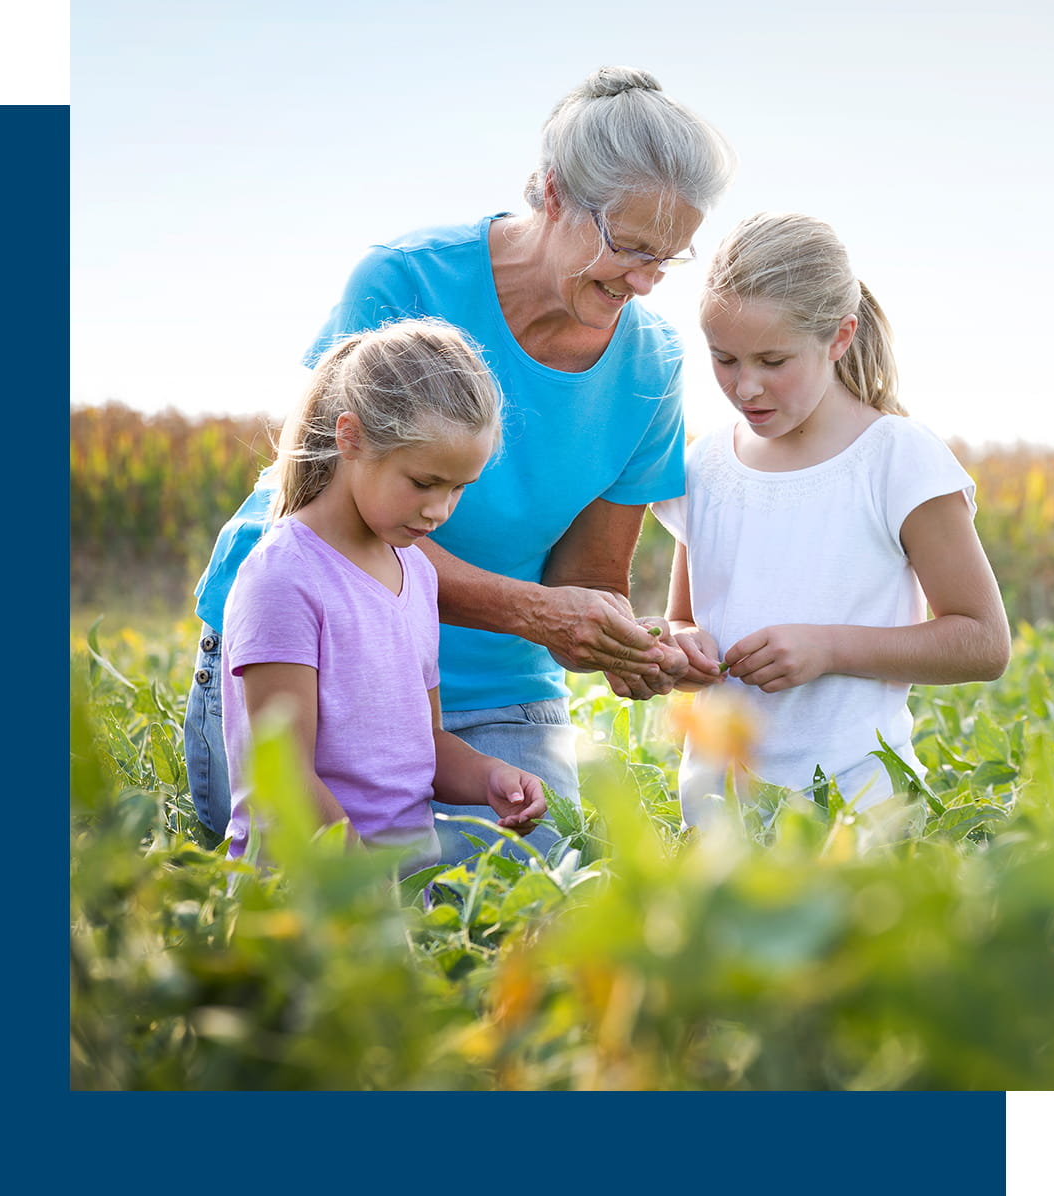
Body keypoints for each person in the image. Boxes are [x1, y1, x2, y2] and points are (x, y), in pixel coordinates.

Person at [185, 65, 736, 862]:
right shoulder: (404, 281)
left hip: (488, 688)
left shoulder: (650, 367)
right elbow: (327, 514)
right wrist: (538, 615)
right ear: (553, 194)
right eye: (630, 246)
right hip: (311, 658)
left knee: (525, 883)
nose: (647, 281)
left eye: (669, 257)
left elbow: (586, 585)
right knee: (330, 865)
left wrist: (634, 644)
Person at [652, 212, 1012, 828]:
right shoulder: (705, 465)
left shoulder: (898, 459)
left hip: (861, 819)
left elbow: (981, 642)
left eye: (772, 360)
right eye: (725, 359)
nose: (745, 388)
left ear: (840, 337)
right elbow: (685, 615)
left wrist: (829, 647)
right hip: (719, 823)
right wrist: (682, 648)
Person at [221, 319, 547, 878]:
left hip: (395, 895)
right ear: (350, 437)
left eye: (457, 488)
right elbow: (283, 776)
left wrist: (488, 774)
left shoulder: (416, 573)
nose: (438, 511)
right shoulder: (284, 577)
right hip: (307, 894)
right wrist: (362, 891)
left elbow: (423, 745)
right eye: (423, 483)